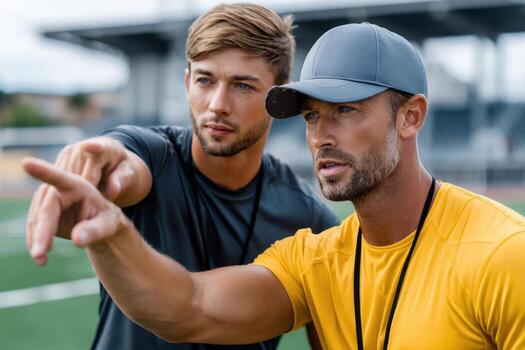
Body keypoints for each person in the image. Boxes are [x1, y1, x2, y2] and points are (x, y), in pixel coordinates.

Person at [25, 22, 525, 349]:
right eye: (311, 116)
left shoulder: (503, 254)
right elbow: (189, 308)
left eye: (345, 110)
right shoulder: (314, 257)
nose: (321, 135)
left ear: (411, 116)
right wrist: (113, 233)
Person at [25, 4, 338, 350]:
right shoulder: (152, 154)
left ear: (278, 96)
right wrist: (99, 173)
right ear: (187, 82)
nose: (218, 104)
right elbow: (126, 166)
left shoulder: (308, 220)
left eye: (243, 86)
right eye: (205, 80)